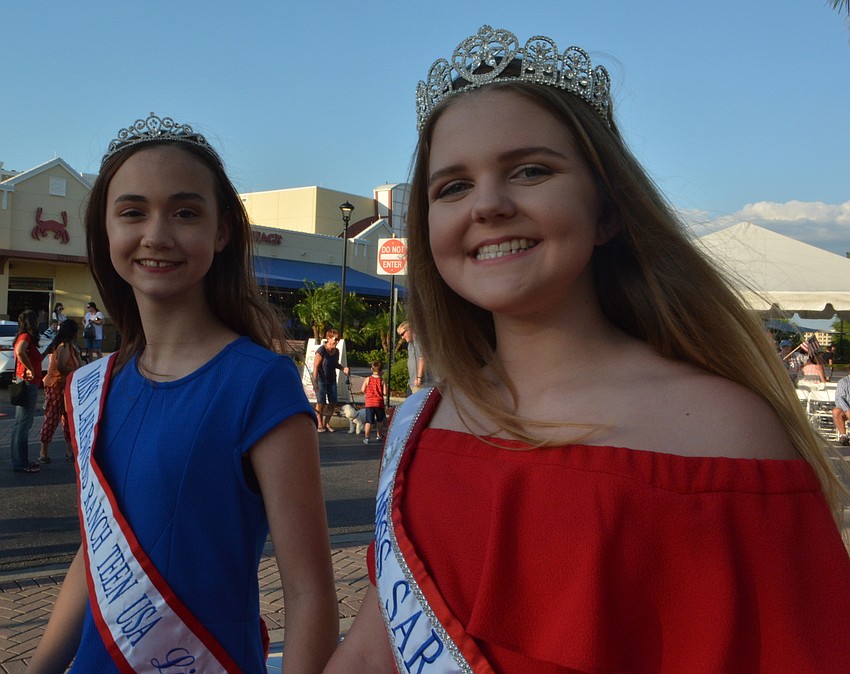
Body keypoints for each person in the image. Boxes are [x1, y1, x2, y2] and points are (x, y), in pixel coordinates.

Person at [325, 26, 850, 673]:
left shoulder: (722, 432)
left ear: (607, 211)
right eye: (452, 186)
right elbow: (372, 652)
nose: (487, 203)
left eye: (531, 170)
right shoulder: (421, 423)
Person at [27, 112, 338, 673]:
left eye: (185, 212)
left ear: (221, 232)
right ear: (105, 230)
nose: (157, 234)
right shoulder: (93, 388)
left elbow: (310, 593)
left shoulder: (260, 383)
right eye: (132, 212)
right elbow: (96, 556)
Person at [37, 319, 81, 464]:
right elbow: (62, 367)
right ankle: (43, 452)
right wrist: (78, 371)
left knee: (68, 419)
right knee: (52, 418)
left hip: (64, 386)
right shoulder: (63, 346)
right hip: (56, 385)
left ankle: (70, 452)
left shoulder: (68, 346)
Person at [9, 309, 43, 474]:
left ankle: (17, 459)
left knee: (18, 424)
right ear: (32, 322)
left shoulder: (23, 337)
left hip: (24, 381)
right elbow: (20, 351)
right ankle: (21, 462)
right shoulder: (26, 337)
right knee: (24, 424)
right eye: (36, 320)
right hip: (28, 383)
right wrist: (30, 369)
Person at [312, 328, 350, 432]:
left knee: (333, 402)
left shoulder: (336, 351)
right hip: (321, 379)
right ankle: (319, 424)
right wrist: (315, 383)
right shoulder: (321, 351)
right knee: (321, 403)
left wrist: (343, 368)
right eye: (335, 339)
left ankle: (327, 422)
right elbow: (315, 367)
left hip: (332, 379)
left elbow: (335, 364)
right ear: (328, 338)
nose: (337, 341)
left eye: (338, 339)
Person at [397, 320, 432, 393]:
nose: (402, 337)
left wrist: (419, 378)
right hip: (412, 383)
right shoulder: (410, 344)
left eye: (403, 334)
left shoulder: (419, 341)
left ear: (410, 330)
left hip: (420, 383)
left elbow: (422, 358)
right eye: (401, 335)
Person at [360, 360, 386, 444]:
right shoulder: (382, 380)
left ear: (372, 369)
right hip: (379, 403)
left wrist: (367, 393)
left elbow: (362, 389)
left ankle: (367, 437)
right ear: (381, 370)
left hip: (369, 403)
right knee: (380, 420)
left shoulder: (368, 379)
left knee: (369, 421)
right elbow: (385, 392)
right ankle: (379, 435)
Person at [833, 374, 850, 446]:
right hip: (846, 407)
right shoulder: (843, 382)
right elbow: (839, 399)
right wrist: (847, 410)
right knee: (836, 411)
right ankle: (843, 436)